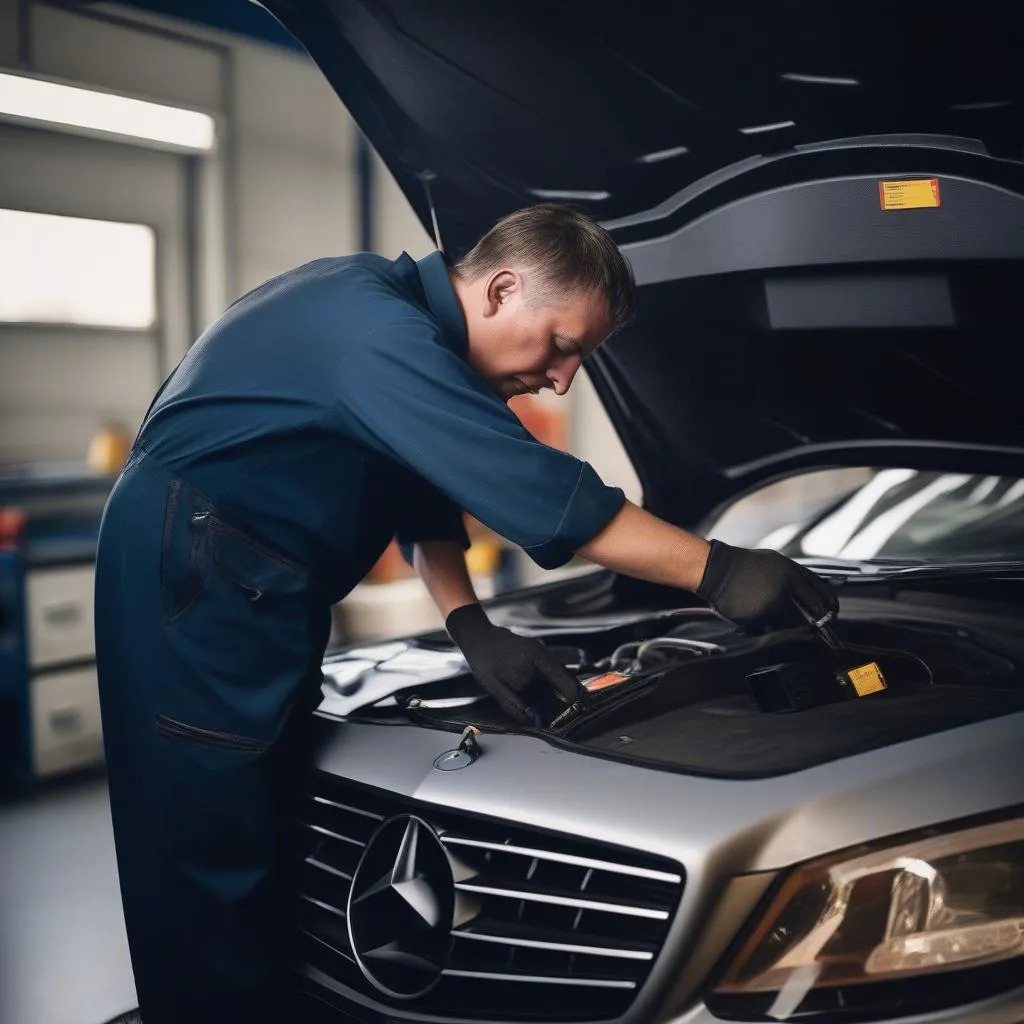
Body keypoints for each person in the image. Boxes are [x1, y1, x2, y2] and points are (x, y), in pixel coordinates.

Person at [94, 204, 836, 1022]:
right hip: (194, 576)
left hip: (235, 577)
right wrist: (718, 570)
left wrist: (468, 624)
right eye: (562, 346)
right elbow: (538, 492)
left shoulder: (394, 319)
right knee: (206, 857)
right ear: (503, 288)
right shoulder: (373, 330)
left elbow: (418, 492)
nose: (561, 379)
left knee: (253, 825)